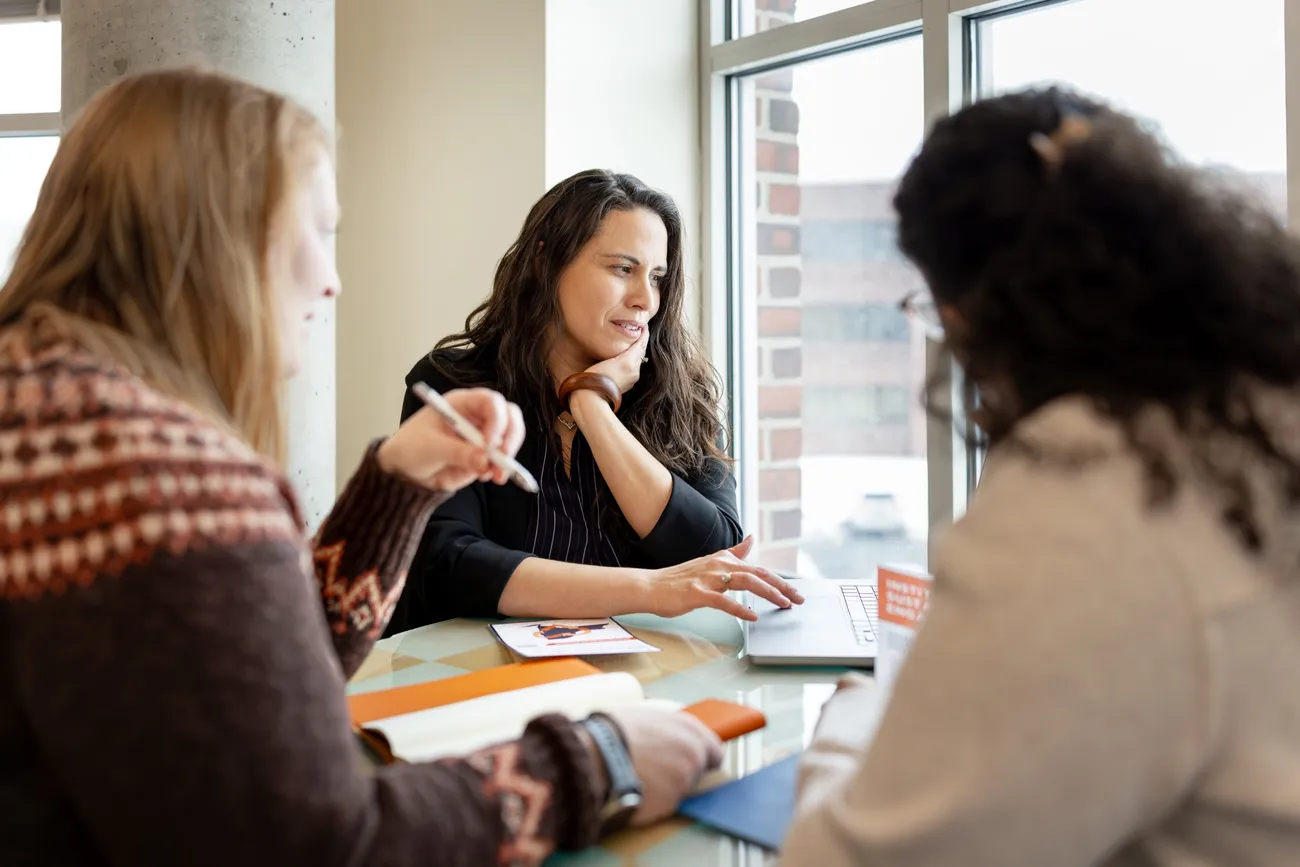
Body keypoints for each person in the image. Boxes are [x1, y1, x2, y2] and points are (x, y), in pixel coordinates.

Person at [0, 69, 723, 867]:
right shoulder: (159, 470)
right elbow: (317, 840)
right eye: (314, 229)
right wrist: (597, 762)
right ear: (213, 234)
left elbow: (263, 667)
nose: (330, 278)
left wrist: (394, 489)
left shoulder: (43, 410)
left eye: (656, 276)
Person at [780, 88, 1300, 866]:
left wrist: (851, 726)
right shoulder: (1256, 411)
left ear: (965, 315)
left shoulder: (1086, 486)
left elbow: (851, 859)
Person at [387, 170, 803, 633]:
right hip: (473, 675)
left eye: (657, 277)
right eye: (622, 269)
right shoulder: (457, 384)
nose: (647, 298)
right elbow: (449, 564)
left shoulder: (682, 394)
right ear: (547, 264)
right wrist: (649, 590)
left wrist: (591, 405)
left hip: (635, 676)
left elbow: (714, 558)